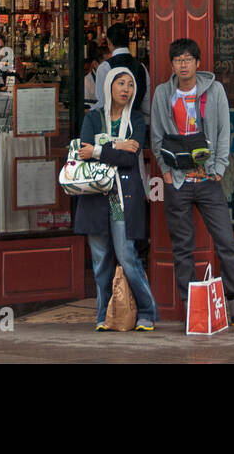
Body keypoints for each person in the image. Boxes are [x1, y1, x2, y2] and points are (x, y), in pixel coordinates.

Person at [151, 38, 234, 329]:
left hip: (208, 180)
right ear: (172, 64)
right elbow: (156, 136)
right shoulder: (163, 93)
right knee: (182, 247)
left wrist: (219, 168)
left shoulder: (213, 91)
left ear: (198, 63)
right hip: (177, 180)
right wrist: (165, 171)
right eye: (178, 60)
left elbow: (225, 130)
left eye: (189, 59)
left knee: (227, 241)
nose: (184, 64)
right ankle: (192, 308)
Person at [74, 66, 157, 332]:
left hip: (119, 201)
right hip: (96, 198)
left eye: (130, 85)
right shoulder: (93, 117)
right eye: (121, 83)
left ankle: (146, 311)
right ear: (109, 86)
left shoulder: (136, 119)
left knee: (126, 255)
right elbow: (84, 150)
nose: (126, 89)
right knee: (99, 261)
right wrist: (116, 145)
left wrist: (101, 148)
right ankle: (104, 315)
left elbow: (129, 158)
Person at [94, 23, 149, 124]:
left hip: (111, 126)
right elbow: (147, 106)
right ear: (128, 41)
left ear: (109, 42)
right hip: (136, 124)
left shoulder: (105, 67)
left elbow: (102, 103)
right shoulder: (141, 67)